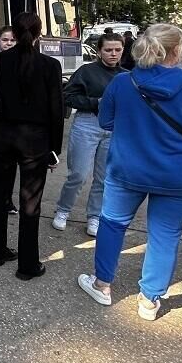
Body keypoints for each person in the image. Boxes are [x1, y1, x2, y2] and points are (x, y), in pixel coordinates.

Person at [77, 24, 182, 320]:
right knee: (165, 235)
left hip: (127, 170)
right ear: (173, 50)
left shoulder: (122, 83)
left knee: (112, 224)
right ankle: (149, 299)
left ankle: (102, 284)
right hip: (179, 176)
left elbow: (105, 120)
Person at [0, 12, 64, 280]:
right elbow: (57, 111)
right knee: (30, 203)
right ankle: (28, 265)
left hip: (1, 136)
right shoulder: (50, 66)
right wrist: (53, 149)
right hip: (36, 141)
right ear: (38, 35)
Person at [53, 33, 125, 236]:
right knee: (78, 174)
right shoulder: (86, 71)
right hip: (87, 123)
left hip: (113, 128)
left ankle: (94, 215)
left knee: (103, 178)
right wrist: (95, 102)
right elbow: (68, 96)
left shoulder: (126, 75)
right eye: (108, 50)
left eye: (117, 50)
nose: (113, 54)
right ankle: (63, 209)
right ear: (99, 51)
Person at [0, 25, 19, 215]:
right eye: (5, 40)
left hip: (12, 123)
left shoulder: (20, 62)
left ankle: (6, 200)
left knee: (10, 167)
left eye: (12, 40)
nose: (9, 43)